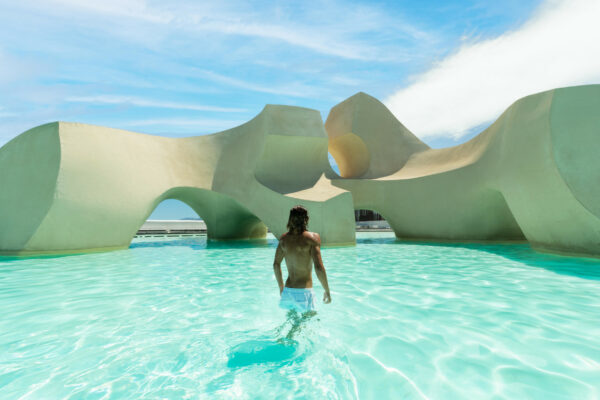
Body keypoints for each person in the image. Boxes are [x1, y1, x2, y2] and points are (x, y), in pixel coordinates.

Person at [273, 205, 331, 314]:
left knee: (292, 323)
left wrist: (281, 287)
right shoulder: (312, 238)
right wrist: (327, 290)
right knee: (310, 323)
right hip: (304, 292)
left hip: (288, 290)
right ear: (306, 219)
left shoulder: (283, 239)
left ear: (290, 220)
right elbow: (318, 268)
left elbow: (276, 264)